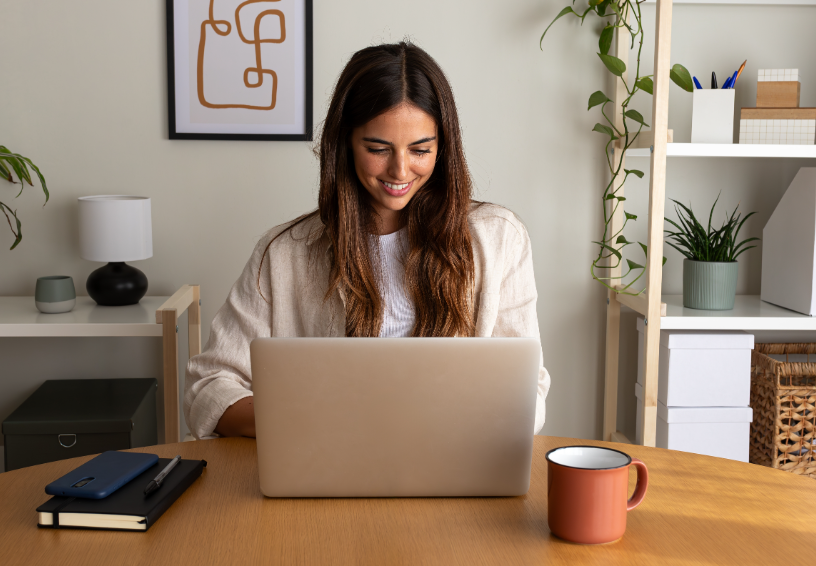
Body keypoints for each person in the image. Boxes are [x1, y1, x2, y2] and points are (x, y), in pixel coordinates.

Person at [183, 42, 550, 439]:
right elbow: (209, 386)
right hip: (327, 463)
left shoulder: (499, 238)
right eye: (378, 148)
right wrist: (303, 419)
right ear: (344, 143)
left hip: (454, 460)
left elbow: (528, 390)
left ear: (442, 149)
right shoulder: (285, 253)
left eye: (421, 150)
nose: (400, 170)